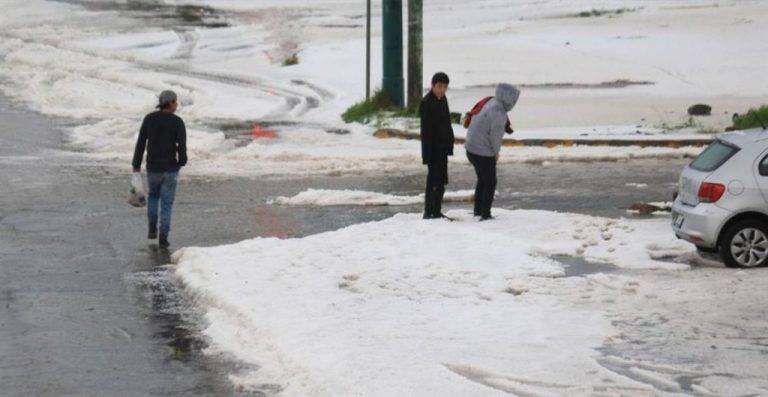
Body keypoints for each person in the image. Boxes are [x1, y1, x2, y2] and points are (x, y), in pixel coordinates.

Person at [132, 90, 187, 247]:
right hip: (170, 168)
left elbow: (141, 143)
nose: (176, 104)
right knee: (167, 203)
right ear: (169, 102)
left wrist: (136, 165)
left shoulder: (149, 119)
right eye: (175, 101)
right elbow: (182, 145)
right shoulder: (177, 122)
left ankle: (152, 228)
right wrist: (182, 161)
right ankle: (163, 237)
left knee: (153, 197)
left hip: (153, 167)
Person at [465, 83, 520, 221]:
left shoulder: (490, 101)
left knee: (482, 180)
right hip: (481, 151)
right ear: (508, 98)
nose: (514, 103)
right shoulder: (499, 112)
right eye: (514, 100)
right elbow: (495, 137)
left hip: (471, 148)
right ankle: (485, 214)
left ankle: (478, 210)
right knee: (490, 182)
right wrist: (496, 153)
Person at [419, 72, 455, 220]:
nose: (442, 90)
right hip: (432, 149)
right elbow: (426, 132)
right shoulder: (426, 102)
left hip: (443, 148)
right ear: (433, 86)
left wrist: (450, 144)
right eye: (439, 86)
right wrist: (427, 154)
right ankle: (429, 211)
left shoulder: (443, 99)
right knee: (433, 181)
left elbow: (447, 123)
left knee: (441, 181)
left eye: (445, 87)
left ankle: (437, 210)